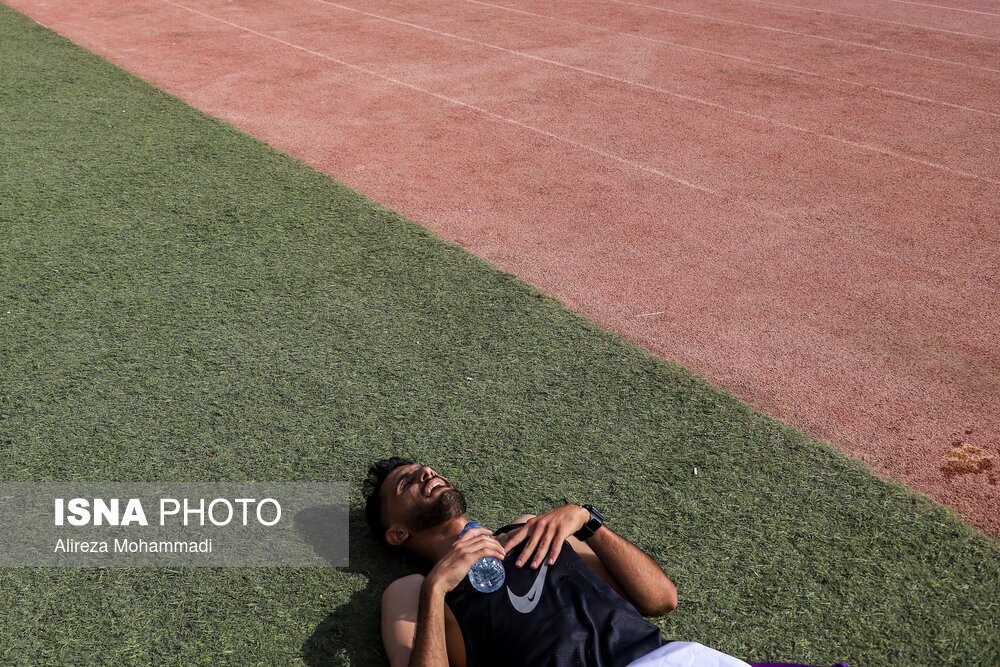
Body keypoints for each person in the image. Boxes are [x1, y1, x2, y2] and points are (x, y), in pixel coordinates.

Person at [364, 457, 844, 667]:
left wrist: (587, 521)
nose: (427, 473)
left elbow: (660, 599)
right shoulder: (413, 591)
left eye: (425, 469)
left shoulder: (535, 528)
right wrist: (437, 588)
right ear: (397, 532)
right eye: (406, 483)